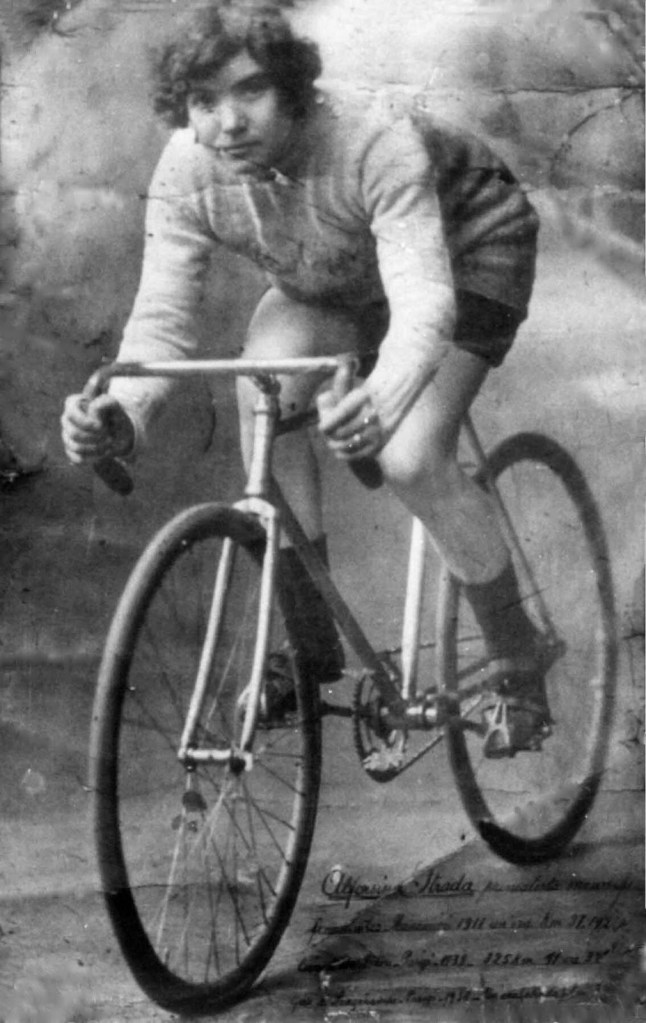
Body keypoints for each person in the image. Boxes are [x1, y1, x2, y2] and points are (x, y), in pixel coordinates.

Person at [61, 0, 548, 757]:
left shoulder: (371, 141)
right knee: (264, 390)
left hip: (466, 251)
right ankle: (311, 645)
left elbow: (424, 305)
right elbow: (160, 321)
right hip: (339, 275)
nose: (229, 122)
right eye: (204, 102)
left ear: (291, 88)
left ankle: (519, 661)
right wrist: (120, 416)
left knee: (411, 458)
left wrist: (383, 400)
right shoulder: (187, 169)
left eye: (250, 90)